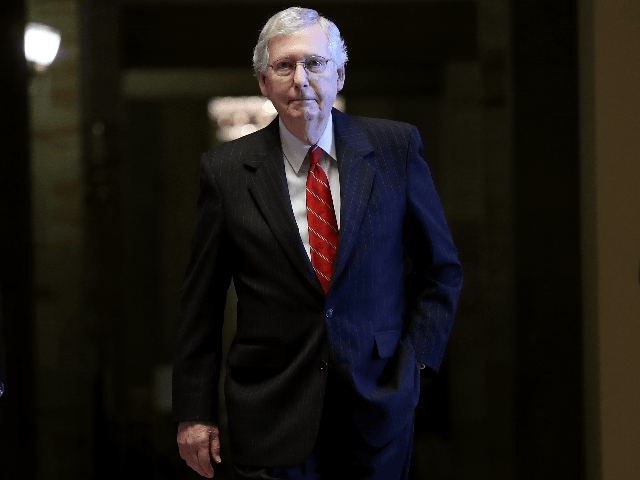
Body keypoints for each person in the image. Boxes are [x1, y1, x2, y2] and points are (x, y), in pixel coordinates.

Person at [172, 7, 462, 480]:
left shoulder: (395, 148)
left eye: (315, 63)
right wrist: (193, 411)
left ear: (340, 74)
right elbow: (200, 303)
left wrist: (416, 364)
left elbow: (441, 269)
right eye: (284, 66)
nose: (300, 79)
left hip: (377, 405)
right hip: (268, 410)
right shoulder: (225, 171)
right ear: (264, 83)